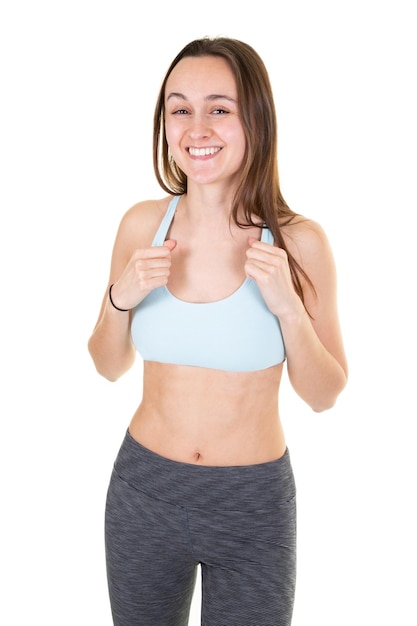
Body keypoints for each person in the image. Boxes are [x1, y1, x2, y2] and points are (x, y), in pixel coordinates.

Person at [88, 36, 348, 626]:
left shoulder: (299, 242)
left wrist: (288, 309)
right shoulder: (141, 225)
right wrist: (119, 298)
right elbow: (107, 365)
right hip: (143, 489)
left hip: (250, 503)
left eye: (219, 108)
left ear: (254, 118)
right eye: (180, 108)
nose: (197, 127)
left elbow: (325, 393)